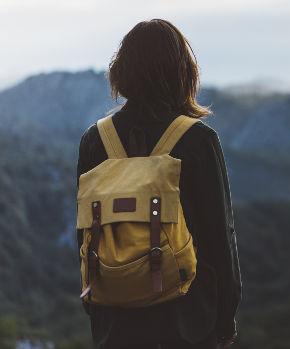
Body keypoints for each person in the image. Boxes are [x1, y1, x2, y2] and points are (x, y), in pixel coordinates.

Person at [75, 19, 241, 349]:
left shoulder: (96, 140)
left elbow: (84, 233)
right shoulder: (198, 139)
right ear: (184, 72)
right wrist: (225, 319)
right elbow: (219, 235)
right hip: (187, 320)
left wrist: (95, 305)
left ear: (121, 70)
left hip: (115, 321)